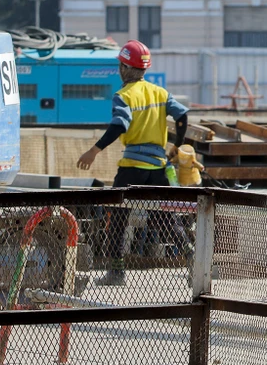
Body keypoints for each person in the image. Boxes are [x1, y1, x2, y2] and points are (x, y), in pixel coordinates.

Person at [76, 40, 190, 286]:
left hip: (132, 168)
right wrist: (177, 145)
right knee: (165, 218)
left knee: (118, 218)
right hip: (158, 168)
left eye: (121, 65)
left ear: (125, 67)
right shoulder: (160, 93)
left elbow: (119, 125)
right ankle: (193, 260)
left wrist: (94, 151)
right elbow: (182, 115)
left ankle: (116, 273)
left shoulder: (124, 95)